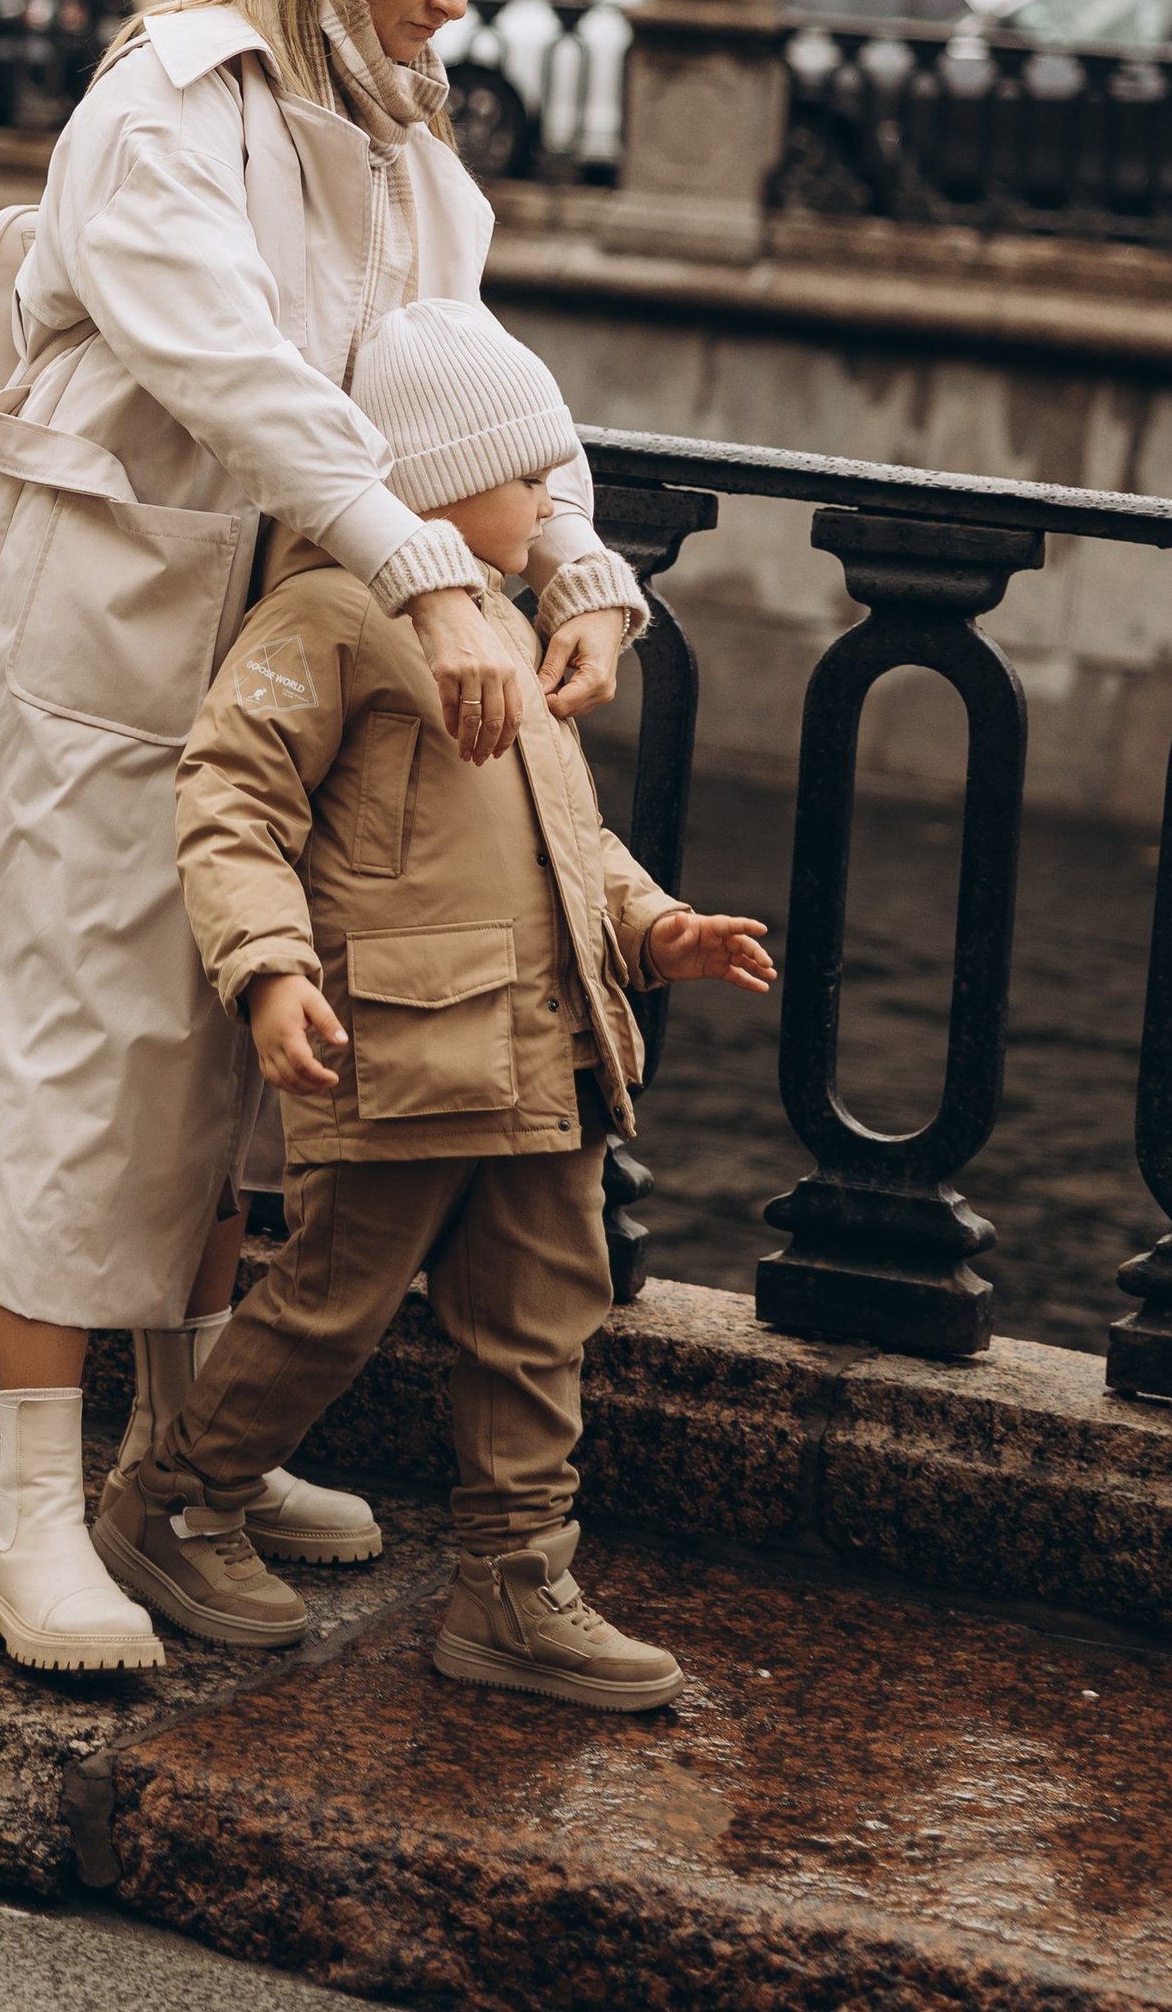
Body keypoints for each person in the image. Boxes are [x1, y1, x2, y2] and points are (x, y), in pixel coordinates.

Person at [0, 0, 649, 1672]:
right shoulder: (173, 96)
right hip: (92, 608)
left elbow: (465, 381)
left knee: (223, 1064)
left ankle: (188, 1450)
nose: (454, 0)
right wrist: (423, 567)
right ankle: (33, 1520)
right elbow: (221, 368)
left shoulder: (403, 139)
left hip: (267, 624)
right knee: (63, 1055)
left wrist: (575, 558)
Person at [96, 296, 775, 1699]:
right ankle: (171, 1501)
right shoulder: (335, 613)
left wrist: (655, 928)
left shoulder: (501, 628)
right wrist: (269, 969)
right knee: (328, 1304)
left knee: (542, 1320)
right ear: (443, 479)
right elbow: (231, 797)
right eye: (528, 470)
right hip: (407, 1052)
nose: (548, 496)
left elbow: (564, 838)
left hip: (544, 1053)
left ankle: (516, 1586)